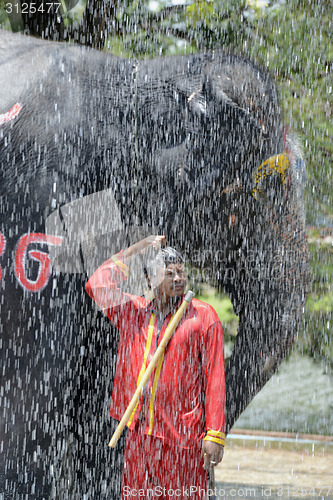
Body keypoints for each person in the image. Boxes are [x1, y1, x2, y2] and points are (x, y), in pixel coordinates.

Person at [85, 235, 225, 498]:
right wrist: (137, 249)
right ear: (150, 280)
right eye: (169, 273)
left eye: (181, 272)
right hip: (140, 435)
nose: (178, 279)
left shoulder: (203, 317)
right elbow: (96, 284)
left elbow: (215, 378)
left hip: (183, 439)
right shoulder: (133, 312)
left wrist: (214, 434)